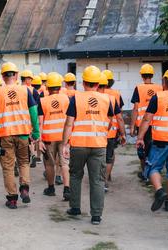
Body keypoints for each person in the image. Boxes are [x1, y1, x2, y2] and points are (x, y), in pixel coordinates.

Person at [63, 65, 113, 225]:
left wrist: (65, 144)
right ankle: (96, 216)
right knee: (97, 179)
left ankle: (75, 208)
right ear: (98, 83)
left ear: (83, 82)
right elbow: (110, 120)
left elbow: (69, 123)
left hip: (78, 144)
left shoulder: (76, 99)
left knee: (76, 175)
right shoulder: (106, 99)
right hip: (99, 145)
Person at [0, 62, 40, 209]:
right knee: (24, 162)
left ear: (3, 76)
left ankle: (12, 199)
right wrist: (36, 131)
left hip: (6, 137)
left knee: (8, 167)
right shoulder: (25, 91)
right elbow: (34, 112)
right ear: (16, 75)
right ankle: (24, 188)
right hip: (23, 135)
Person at [136, 68, 168, 212]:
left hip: (160, 141)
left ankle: (159, 191)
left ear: (165, 81)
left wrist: (140, 137)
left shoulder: (158, 97)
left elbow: (147, 119)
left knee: (152, 168)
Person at [38, 72, 71, 200]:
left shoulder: (42, 101)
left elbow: (40, 122)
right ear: (60, 86)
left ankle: (51, 188)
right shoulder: (66, 99)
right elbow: (70, 120)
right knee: (64, 163)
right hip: (63, 137)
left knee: (50, 164)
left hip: (48, 138)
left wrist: (39, 139)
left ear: (47, 88)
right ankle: (67, 188)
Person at [130, 64, 162, 181]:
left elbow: (135, 108)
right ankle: (152, 172)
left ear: (142, 76)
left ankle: (145, 174)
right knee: (153, 149)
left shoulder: (138, 88)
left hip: (143, 124)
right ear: (152, 75)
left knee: (142, 149)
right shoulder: (159, 88)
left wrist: (132, 126)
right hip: (157, 124)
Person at [97, 73, 126, 192]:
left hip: (97, 134)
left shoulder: (93, 98)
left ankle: (98, 179)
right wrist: (123, 132)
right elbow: (119, 117)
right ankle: (105, 181)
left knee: (98, 157)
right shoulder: (113, 97)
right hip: (110, 133)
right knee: (109, 157)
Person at [20, 69, 40, 168]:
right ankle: (32, 155)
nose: (31, 81)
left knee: (23, 139)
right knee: (30, 138)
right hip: (30, 119)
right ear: (27, 79)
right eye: (30, 79)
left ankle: (21, 159)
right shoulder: (33, 91)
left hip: (20, 119)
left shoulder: (18, 89)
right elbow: (36, 107)